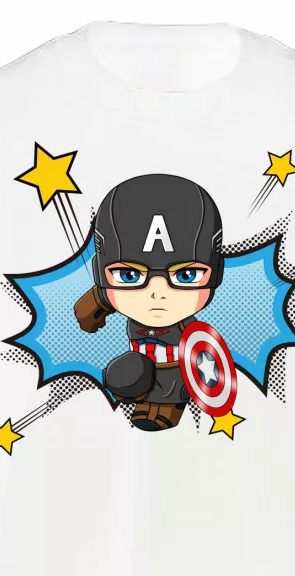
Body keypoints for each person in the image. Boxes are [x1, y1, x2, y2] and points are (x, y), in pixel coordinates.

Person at [74, 173, 224, 431]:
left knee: (165, 383)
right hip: (140, 363)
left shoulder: (191, 332)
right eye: (129, 275)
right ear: (101, 272)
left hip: (175, 370)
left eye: (186, 275)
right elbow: (92, 307)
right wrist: (95, 306)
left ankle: (167, 403)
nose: (157, 294)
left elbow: (206, 359)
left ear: (216, 273)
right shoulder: (108, 292)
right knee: (126, 372)